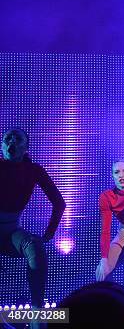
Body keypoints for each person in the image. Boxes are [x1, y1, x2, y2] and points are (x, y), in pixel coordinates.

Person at [0, 128, 66, 316]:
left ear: (25, 147)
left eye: (17, 138)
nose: (11, 141)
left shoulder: (34, 170)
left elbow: (59, 203)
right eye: (7, 139)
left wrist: (48, 234)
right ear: (2, 146)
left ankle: (38, 312)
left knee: (35, 247)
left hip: (12, 231)